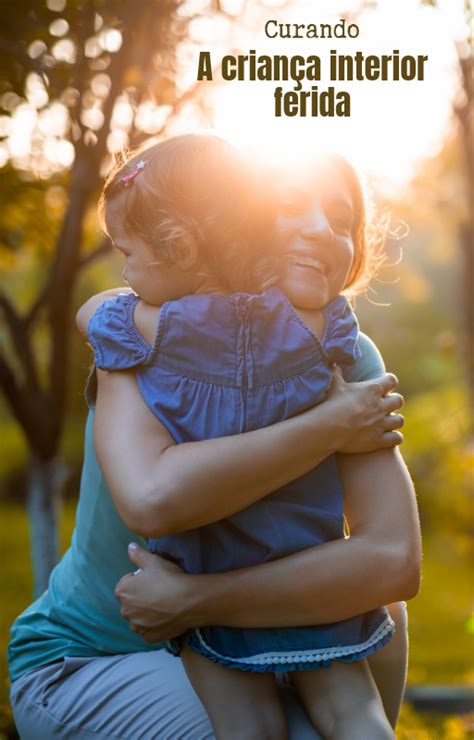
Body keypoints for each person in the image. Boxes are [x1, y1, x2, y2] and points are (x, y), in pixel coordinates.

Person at [8, 136, 418, 740]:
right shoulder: (147, 333)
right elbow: (152, 498)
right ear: (238, 224)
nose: (320, 231)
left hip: (239, 629)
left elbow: (392, 561)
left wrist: (198, 601)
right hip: (99, 655)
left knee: (384, 621)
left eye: (341, 220)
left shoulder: (347, 355)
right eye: (291, 205)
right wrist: (331, 426)